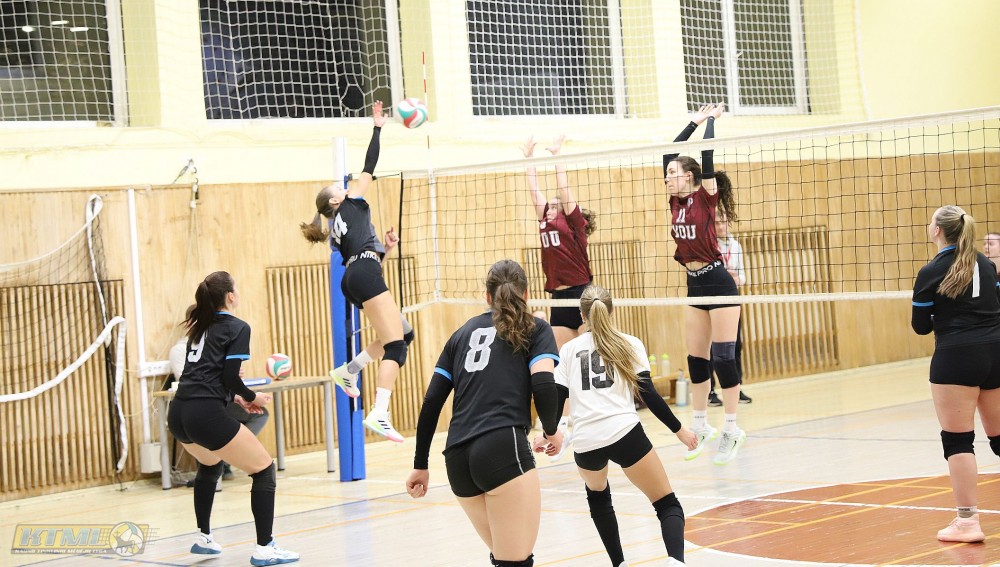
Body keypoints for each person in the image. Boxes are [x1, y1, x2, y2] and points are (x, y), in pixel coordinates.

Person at [406, 260, 563, 567]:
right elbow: (544, 383)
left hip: (457, 458)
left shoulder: (460, 334)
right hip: (501, 447)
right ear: (526, 294)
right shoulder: (535, 327)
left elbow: (431, 402)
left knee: (506, 557)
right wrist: (551, 430)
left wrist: (420, 464)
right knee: (515, 560)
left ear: (488, 297)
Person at [537, 284, 696, 567]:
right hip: (625, 434)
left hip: (586, 442)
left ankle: (619, 563)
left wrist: (548, 433)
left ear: (581, 315)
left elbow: (555, 399)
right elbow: (649, 394)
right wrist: (679, 430)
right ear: (612, 312)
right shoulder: (629, 343)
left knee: (598, 498)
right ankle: (676, 561)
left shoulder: (569, 350)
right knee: (666, 503)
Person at [166, 271, 299, 565]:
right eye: (236, 288)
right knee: (264, 469)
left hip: (179, 413)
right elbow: (230, 377)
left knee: (210, 464)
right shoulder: (237, 327)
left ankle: (204, 538)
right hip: (205, 414)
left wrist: (235, 397)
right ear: (230, 296)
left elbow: (204, 376)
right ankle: (265, 548)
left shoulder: (200, 327)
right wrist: (252, 396)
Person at [300, 101, 407, 442]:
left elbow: (364, 260)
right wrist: (377, 127)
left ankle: (349, 371)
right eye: (339, 187)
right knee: (397, 347)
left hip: (355, 276)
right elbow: (369, 166)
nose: (346, 185)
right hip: (361, 273)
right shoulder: (349, 202)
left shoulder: (334, 230)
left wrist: (385, 249)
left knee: (402, 333)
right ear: (335, 201)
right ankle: (379, 412)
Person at [662, 103, 746, 465]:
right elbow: (668, 153)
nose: (667, 177)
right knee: (696, 359)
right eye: (667, 173)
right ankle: (700, 424)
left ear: (689, 177)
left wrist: (709, 121)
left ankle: (731, 428)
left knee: (724, 358)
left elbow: (707, 156)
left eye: (673, 173)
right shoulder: (674, 201)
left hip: (719, 281)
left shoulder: (705, 196)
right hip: (693, 284)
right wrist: (691, 122)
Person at [912, 206, 1000, 543]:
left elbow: (921, 327)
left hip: (957, 357)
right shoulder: (986, 264)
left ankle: (967, 522)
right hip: (996, 352)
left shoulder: (931, 271)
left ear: (937, 231)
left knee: (958, 441)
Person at [522, 134, 596, 460]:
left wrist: (557, 156)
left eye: (555, 205)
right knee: (560, 370)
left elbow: (564, 190)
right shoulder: (545, 222)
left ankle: (599, 415)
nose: (550, 207)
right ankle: (562, 426)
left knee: (593, 361)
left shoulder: (574, 224)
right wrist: (528, 160)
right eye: (548, 206)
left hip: (582, 296)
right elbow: (533, 191)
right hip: (557, 300)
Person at [169, 305, 270, 485]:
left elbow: (226, 376)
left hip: (219, 399)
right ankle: (227, 455)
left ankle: (228, 456)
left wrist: (232, 381)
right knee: (264, 470)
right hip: (197, 405)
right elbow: (191, 379)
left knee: (260, 414)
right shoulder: (181, 348)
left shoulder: (214, 341)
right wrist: (228, 377)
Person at [707, 210, 752, 406]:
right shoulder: (708, 245)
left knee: (735, 346)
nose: (720, 226)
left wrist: (733, 278)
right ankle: (710, 392)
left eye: (723, 222)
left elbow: (743, 277)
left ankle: (737, 388)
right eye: (717, 223)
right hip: (712, 299)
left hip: (731, 298)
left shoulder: (735, 246)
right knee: (710, 347)